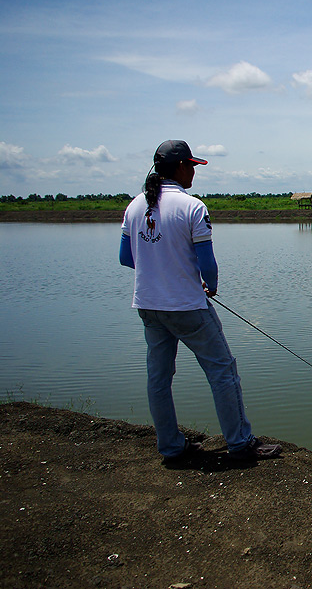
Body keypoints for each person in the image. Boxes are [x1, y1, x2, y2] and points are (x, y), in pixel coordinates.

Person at [119, 139, 281, 463]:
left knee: (159, 379)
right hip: (187, 307)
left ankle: (170, 447)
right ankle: (240, 443)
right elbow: (207, 264)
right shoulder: (193, 207)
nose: (194, 171)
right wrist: (211, 286)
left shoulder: (135, 205)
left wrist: (158, 270)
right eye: (192, 165)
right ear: (180, 167)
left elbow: (126, 258)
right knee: (223, 371)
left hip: (148, 307)